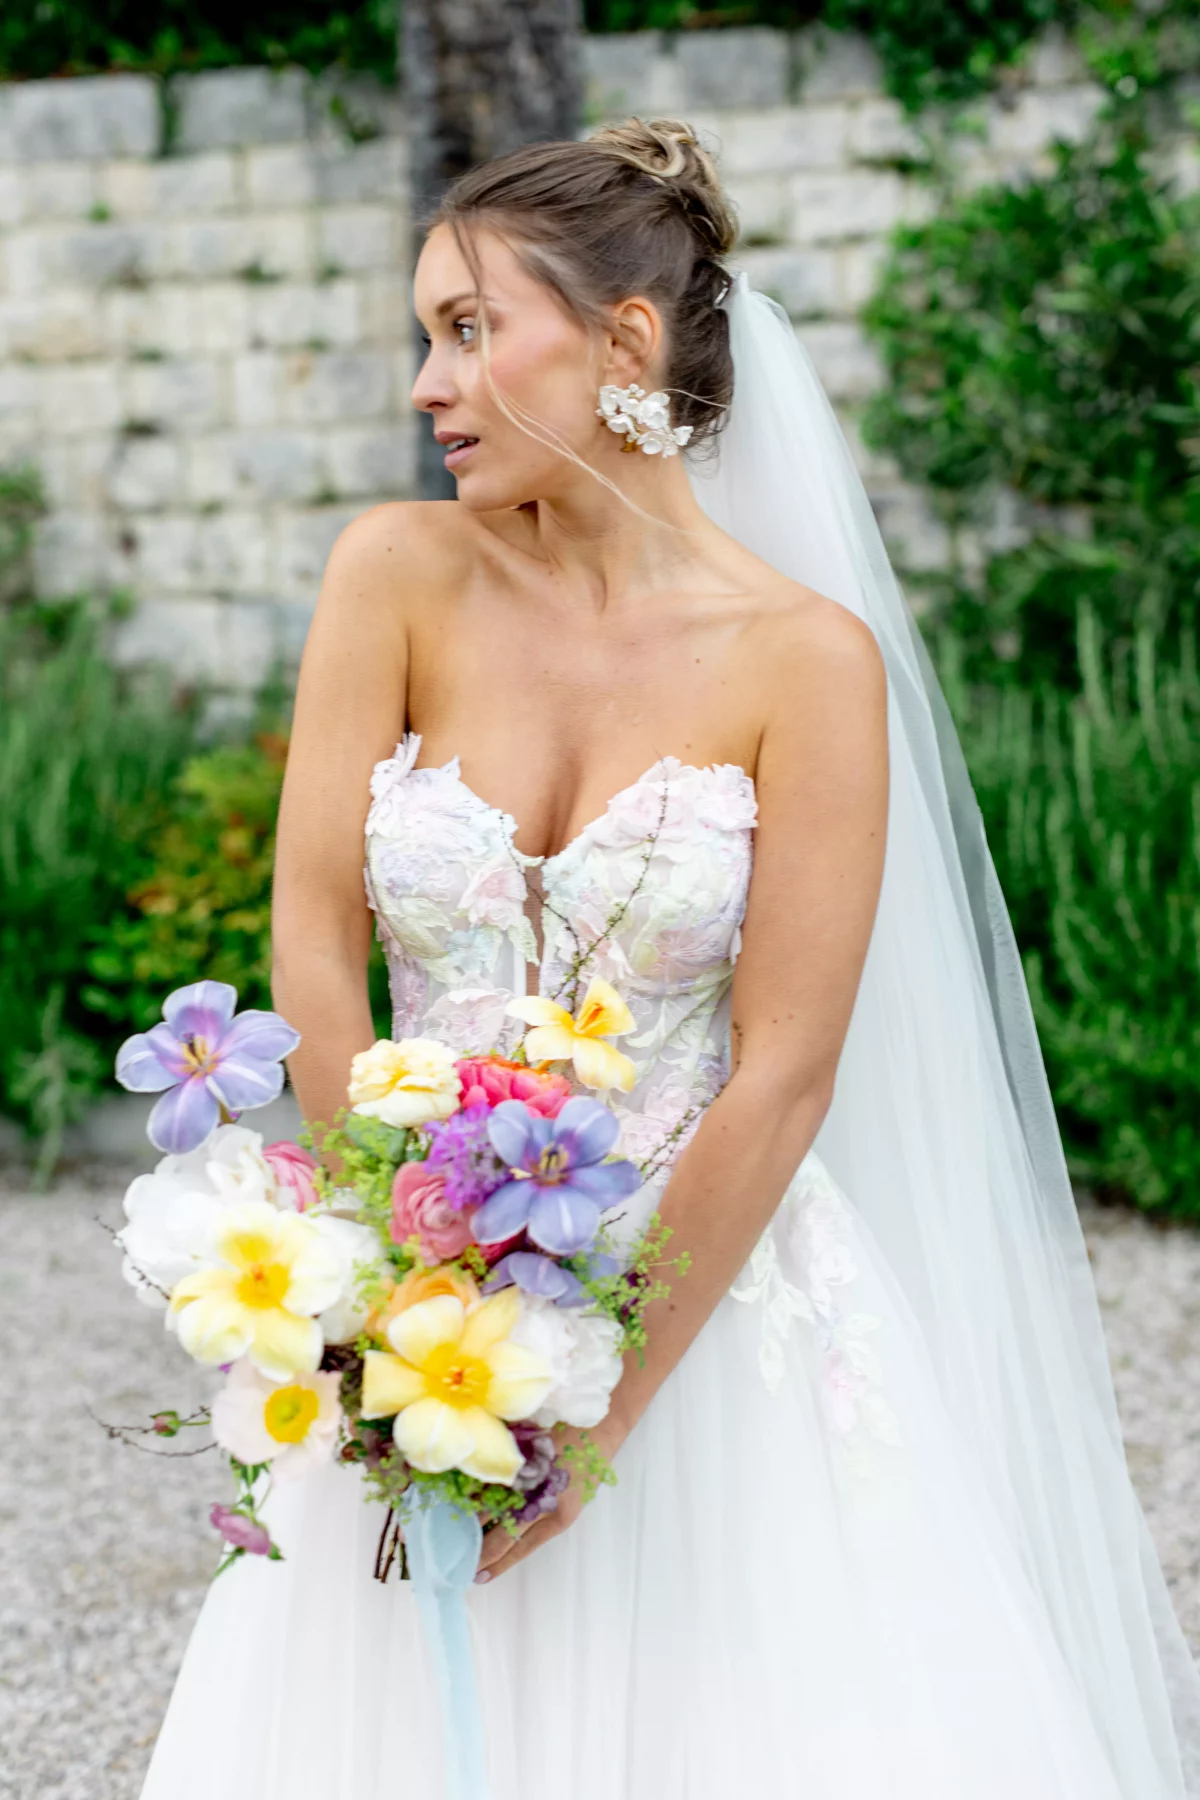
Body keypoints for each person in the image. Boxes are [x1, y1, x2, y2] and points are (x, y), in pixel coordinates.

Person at [140, 120, 1200, 1799]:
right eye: (428, 334)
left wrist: (603, 1409)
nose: (429, 382)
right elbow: (315, 941)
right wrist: (392, 1280)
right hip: (420, 1311)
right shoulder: (392, 574)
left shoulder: (807, 660)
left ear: (624, 341)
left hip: (708, 1318)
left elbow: (785, 1067)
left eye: (470, 329)